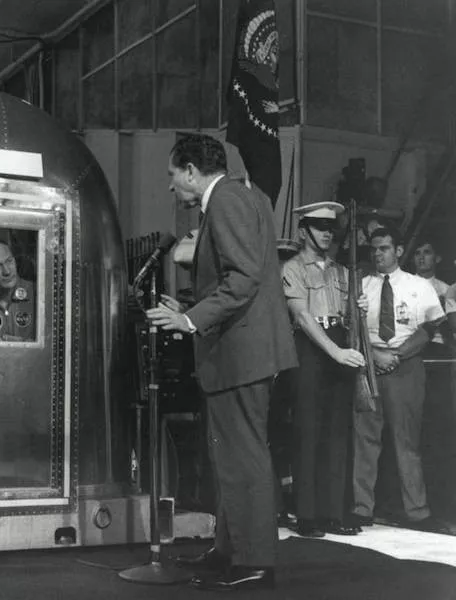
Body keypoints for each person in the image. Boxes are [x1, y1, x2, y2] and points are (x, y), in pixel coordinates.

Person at [146, 133, 297, 591]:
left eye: (173, 176)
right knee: (231, 456)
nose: (172, 187)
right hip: (243, 351)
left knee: (243, 456)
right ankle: (231, 551)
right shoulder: (244, 197)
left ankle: (254, 561)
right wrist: (189, 309)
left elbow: (243, 278)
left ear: (192, 170)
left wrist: (189, 320)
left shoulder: (227, 201)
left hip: (241, 353)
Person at [352, 226, 446, 532]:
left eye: (385, 248)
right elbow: (354, 328)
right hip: (369, 364)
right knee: (365, 439)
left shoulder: (419, 286)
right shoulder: (361, 285)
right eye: (375, 249)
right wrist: (376, 355)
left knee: (407, 441)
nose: (379, 254)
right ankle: (361, 508)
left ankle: (417, 511)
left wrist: (398, 355)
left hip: (405, 367)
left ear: (399, 251)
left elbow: (430, 328)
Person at [281, 202, 365, 538]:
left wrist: (359, 309)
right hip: (312, 348)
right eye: (319, 227)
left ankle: (333, 511)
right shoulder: (292, 268)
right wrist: (335, 352)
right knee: (308, 431)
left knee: (336, 431)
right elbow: (302, 317)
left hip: (340, 342)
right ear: (304, 231)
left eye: (330, 228)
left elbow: (348, 315)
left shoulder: (341, 271)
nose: (327, 233)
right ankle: (307, 514)